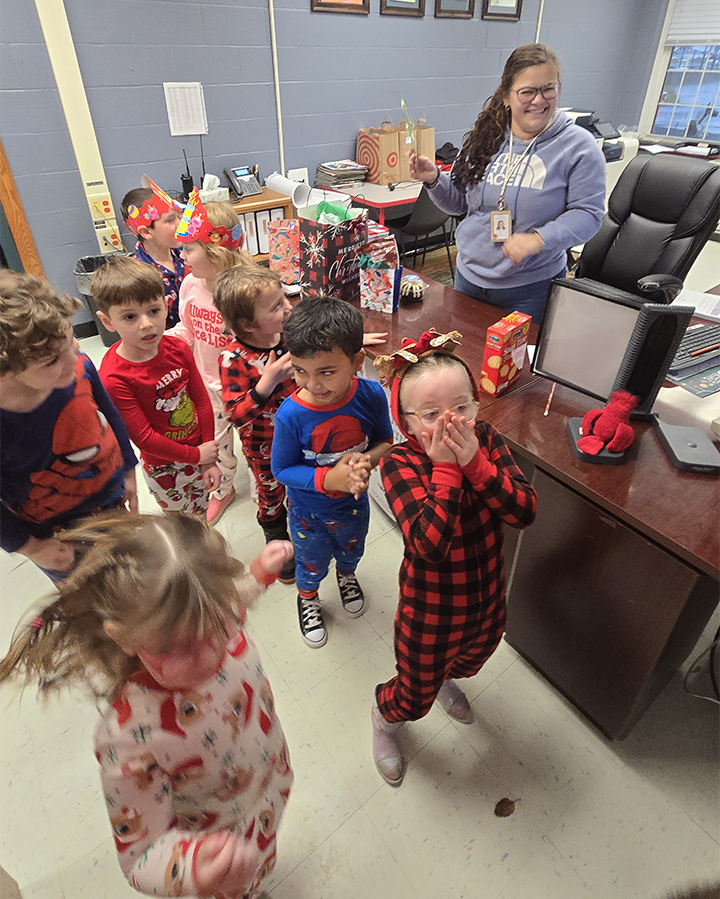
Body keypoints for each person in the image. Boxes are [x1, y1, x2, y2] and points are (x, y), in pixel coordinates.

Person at [0, 511, 294, 899]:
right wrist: (194, 868)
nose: (209, 655)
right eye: (179, 648)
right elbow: (140, 854)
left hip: (266, 791)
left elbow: (232, 600)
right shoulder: (129, 738)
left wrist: (258, 573)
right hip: (213, 845)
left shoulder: (208, 614)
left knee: (259, 864)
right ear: (123, 638)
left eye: (218, 623)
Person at [371, 330, 538, 786]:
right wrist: (447, 467)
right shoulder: (398, 463)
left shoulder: (485, 439)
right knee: (413, 696)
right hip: (430, 613)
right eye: (430, 414)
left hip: (485, 599)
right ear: (405, 422)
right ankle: (385, 719)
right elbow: (427, 546)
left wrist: (478, 467)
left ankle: (447, 678)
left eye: (461, 407)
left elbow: (524, 511)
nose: (450, 423)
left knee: (473, 659)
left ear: (476, 405)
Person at [410, 43, 606, 323]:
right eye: (527, 91)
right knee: (467, 358)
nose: (539, 100)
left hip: (530, 288)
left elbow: (588, 215)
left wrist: (539, 239)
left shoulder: (578, 147)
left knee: (516, 365)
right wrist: (433, 180)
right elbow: (458, 203)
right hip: (469, 279)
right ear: (506, 96)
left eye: (548, 89)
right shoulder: (486, 137)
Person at [271, 296, 393, 649]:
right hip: (308, 512)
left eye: (326, 371)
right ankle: (308, 598)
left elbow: (386, 440)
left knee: (352, 549)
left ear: (357, 361)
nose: (312, 384)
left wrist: (364, 462)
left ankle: (347, 576)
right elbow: (281, 469)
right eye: (300, 370)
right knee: (310, 561)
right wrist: (328, 479)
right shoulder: (291, 414)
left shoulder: (370, 395)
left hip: (353, 505)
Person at [0, 270, 137, 582]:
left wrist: (129, 470)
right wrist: (31, 547)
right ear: (4, 371)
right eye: (51, 360)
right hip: (57, 536)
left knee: (131, 572)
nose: (74, 355)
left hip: (113, 500)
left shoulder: (77, 365)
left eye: (70, 337)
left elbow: (111, 415)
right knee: (89, 597)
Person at [93, 256, 221, 517]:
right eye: (130, 316)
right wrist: (196, 455)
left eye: (153, 311)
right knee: (182, 527)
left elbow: (201, 400)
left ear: (165, 305)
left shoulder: (177, 347)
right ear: (108, 322)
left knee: (201, 516)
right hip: (165, 467)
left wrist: (206, 454)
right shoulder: (114, 376)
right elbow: (144, 438)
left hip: (200, 452)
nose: (146, 324)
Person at [170, 189, 252, 526]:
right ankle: (224, 490)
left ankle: (269, 489)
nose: (183, 255)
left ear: (215, 252)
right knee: (218, 445)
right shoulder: (190, 284)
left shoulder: (246, 291)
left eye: (189, 248)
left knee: (256, 442)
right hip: (206, 386)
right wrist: (163, 343)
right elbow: (187, 329)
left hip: (247, 388)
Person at [215, 264, 296, 583]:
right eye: (276, 306)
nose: (287, 307)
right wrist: (267, 382)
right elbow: (235, 413)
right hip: (265, 448)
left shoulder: (287, 336)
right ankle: (279, 547)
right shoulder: (232, 359)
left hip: (301, 435)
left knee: (302, 488)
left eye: (284, 299)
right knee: (272, 499)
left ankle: (303, 536)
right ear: (248, 325)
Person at [120, 178, 187, 328]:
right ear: (146, 232)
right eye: (170, 220)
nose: (179, 223)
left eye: (178, 216)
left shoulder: (186, 253)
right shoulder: (139, 276)